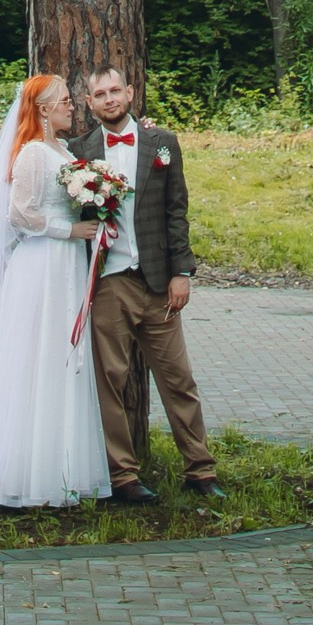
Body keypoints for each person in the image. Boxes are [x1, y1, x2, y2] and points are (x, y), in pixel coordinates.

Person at [69, 61, 222, 505]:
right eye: (101, 95)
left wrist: (182, 272)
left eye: (116, 91)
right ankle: (123, 476)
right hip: (108, 284)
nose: (110, 99)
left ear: (131, 92)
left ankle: (200, 469)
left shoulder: (163, 144)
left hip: (157, 281)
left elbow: (177, 211)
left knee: (178, 379)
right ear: (89, 102)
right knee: (110, 381)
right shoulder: (77, 151)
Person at [0, 71, 112, 515]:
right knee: (36, 359)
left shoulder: (62, 150)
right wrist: (71, 229)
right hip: (42, 264)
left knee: (63, 361)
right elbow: (19, 215)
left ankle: (61, 471)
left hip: (66, 265)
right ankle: (24, 475)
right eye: (64, 100)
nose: (72, 105)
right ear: (43, 109)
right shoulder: (31, 154)